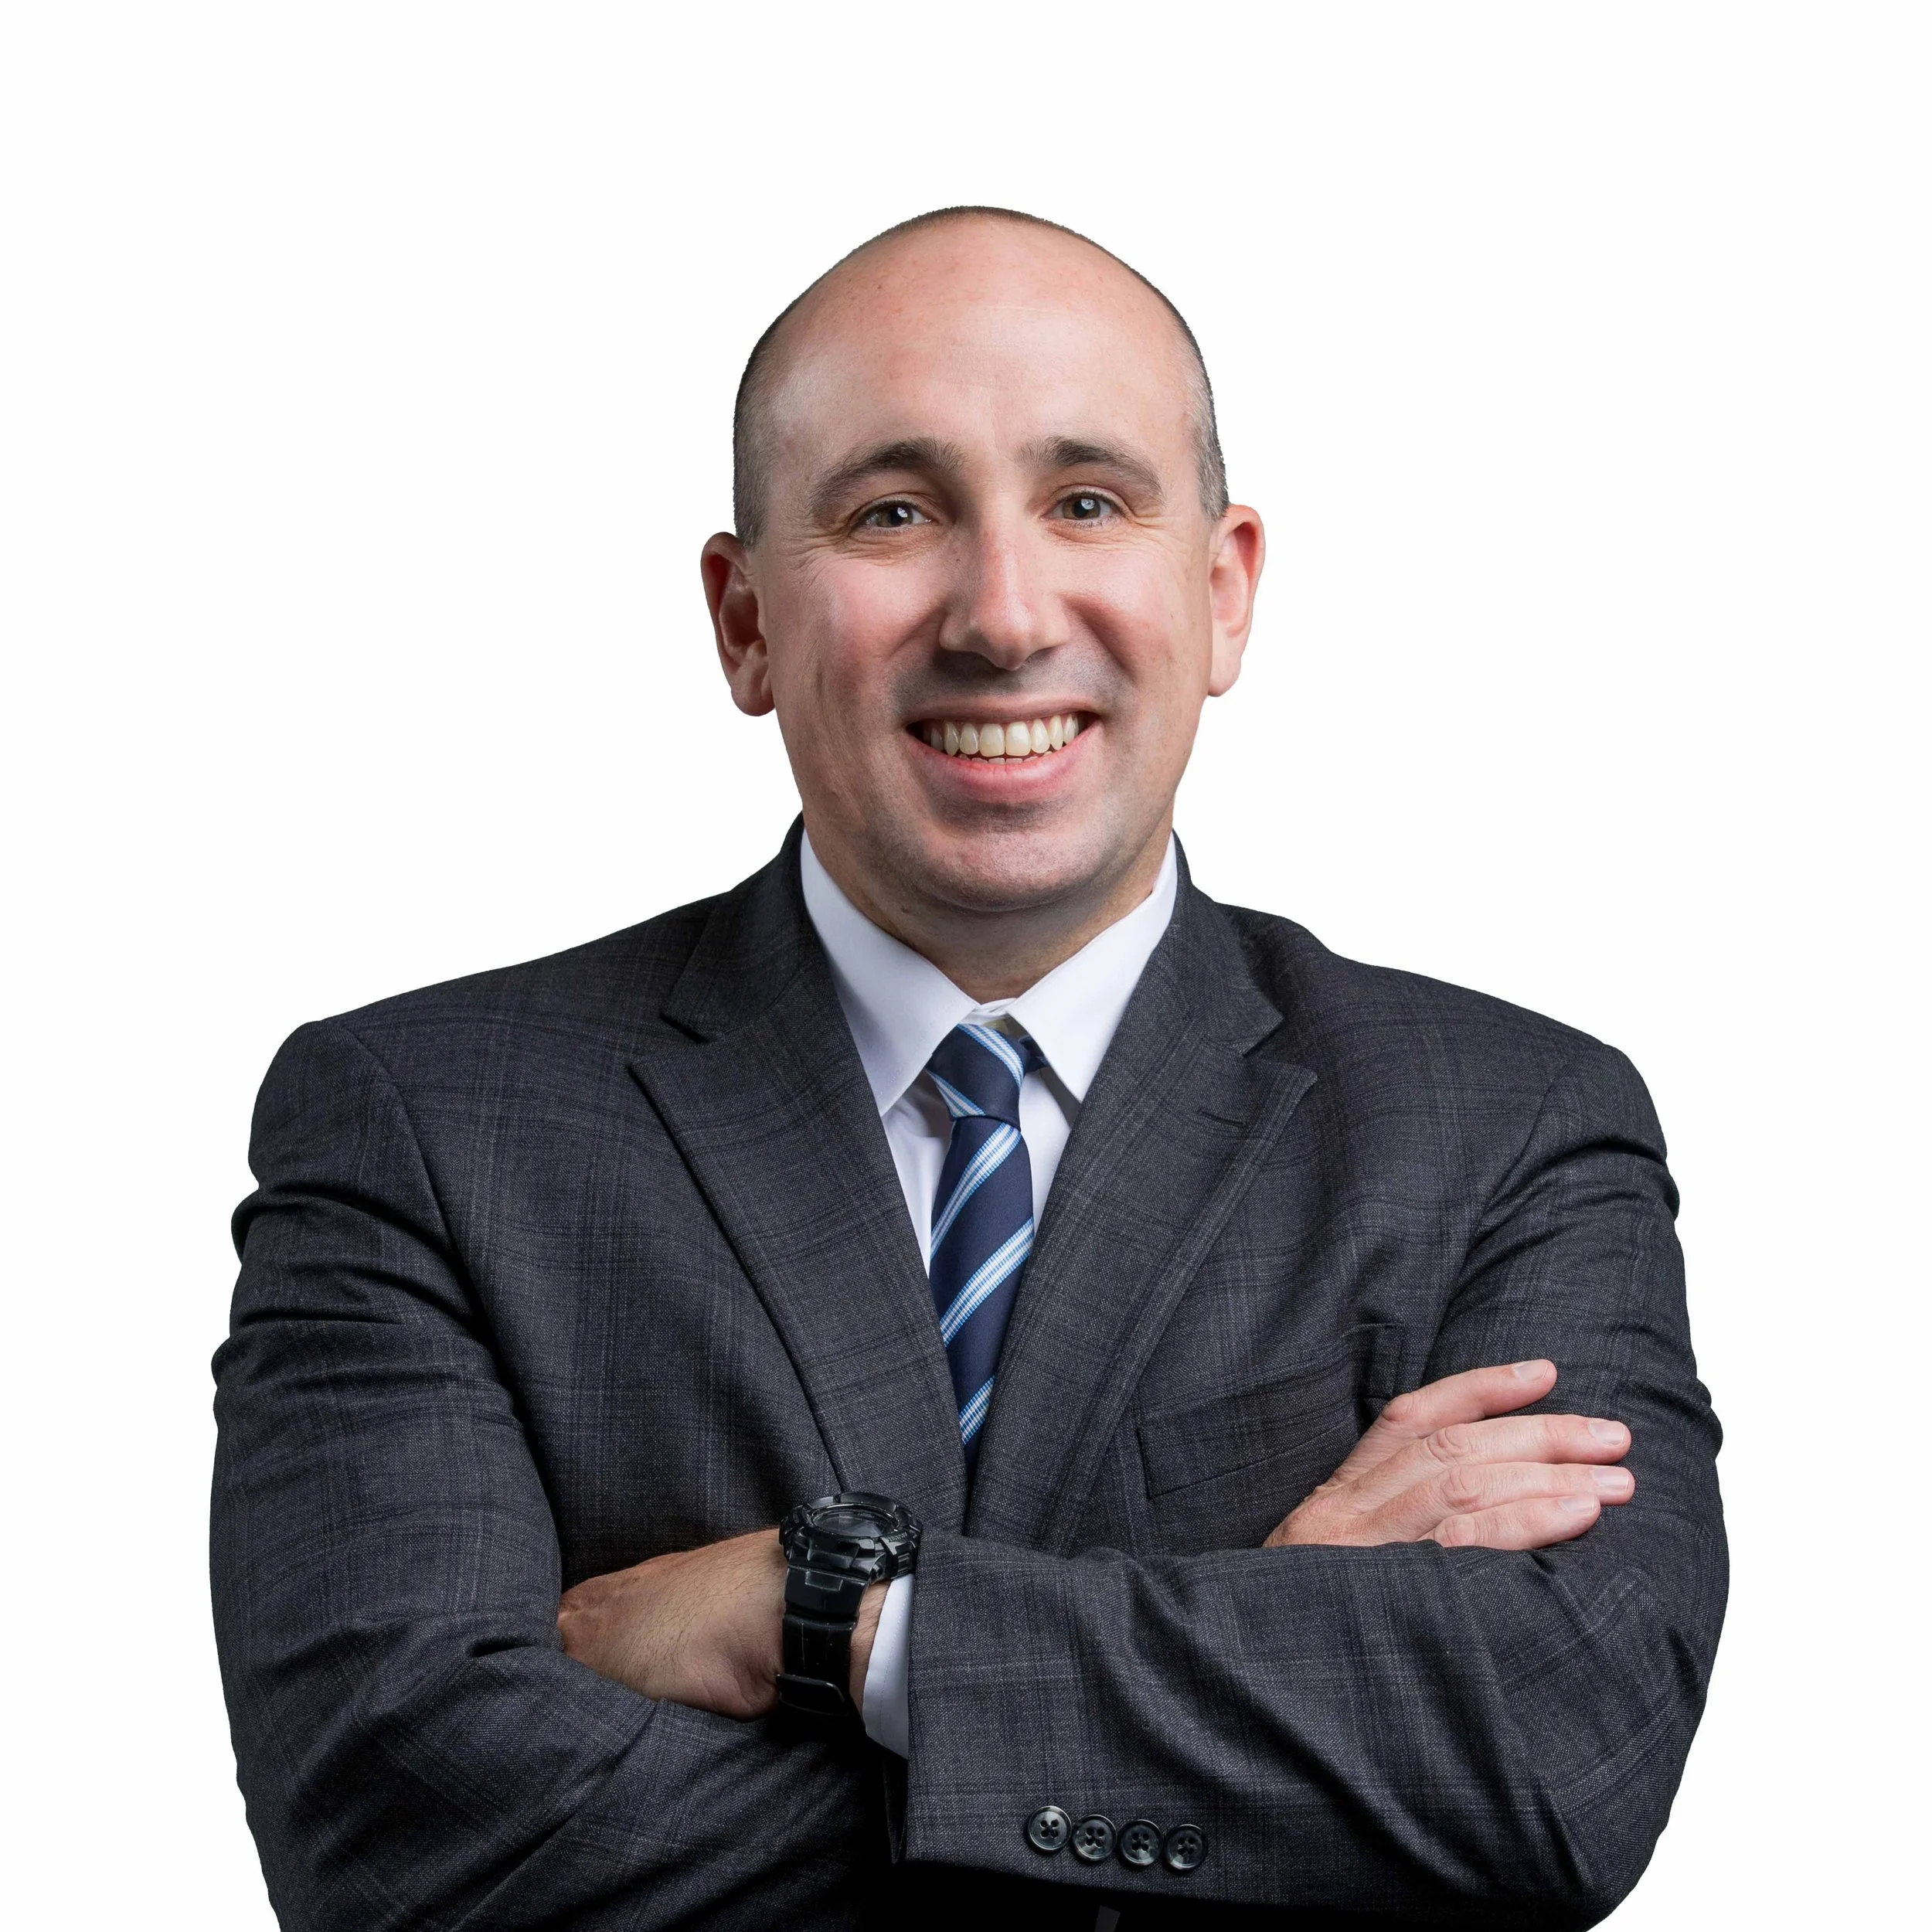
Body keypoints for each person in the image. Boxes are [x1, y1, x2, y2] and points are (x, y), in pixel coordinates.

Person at [211, 206, 1726, 1931]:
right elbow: (401, 1844)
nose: (1003, 615)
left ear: (1219, 590)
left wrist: (828, 1615)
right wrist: (1257, 1634)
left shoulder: (1507, 1129)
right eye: (892, 511)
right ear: (743, 619)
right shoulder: (422, 1125)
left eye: (1086, 501)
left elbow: (1552, 1763)